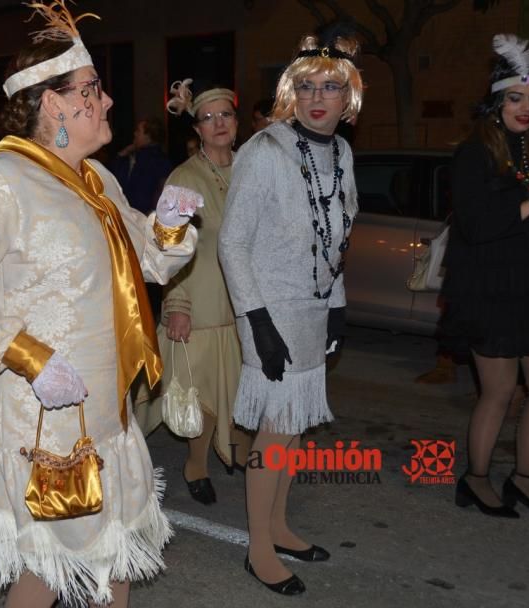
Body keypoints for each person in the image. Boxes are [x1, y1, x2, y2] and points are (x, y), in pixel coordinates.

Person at [0, 3, 197, 606]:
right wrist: (28, 355)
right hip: (40, 421)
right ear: (53, 104)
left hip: (105, 411)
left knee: (111, 554)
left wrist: (167, 227)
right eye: (93, 89)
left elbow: (146, 262)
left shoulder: (96, 178)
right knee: (45, 576)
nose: (108, 101)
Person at [219, 27, 363, 596]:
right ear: (291, 93)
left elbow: (336, 238)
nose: (317, 97)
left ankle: (278, 524)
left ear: (348, 97)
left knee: (294, 428)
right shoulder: (265, 150)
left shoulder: (343, 152)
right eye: (306, 86)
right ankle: (258, 548)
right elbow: (232, 243)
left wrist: (339, 308)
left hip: (312, 308)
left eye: (330, 86)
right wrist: (257, 322)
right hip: (268, 311)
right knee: (274, 434)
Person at [442, 34, 529, 521]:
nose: (527, 108)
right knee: (498, 391)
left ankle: (524, 479)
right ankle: (475, 479)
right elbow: (477, 227)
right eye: (516, 98)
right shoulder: (474, 153)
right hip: (490, 286)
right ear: (497, 101)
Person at [136, 79, 250, 505]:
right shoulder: (183, 178)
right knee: (200, 391)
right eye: (208, 118)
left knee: (238, 387)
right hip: (199, 303)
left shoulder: (250, 169)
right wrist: (177, 303)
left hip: (243, 304)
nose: (218, 123)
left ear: (236, 122)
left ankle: (238, 449)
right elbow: (167, 247)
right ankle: (196, 464)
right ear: (196, 129)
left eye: (226, 115)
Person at [109, 117, 172, 214]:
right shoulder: (136, 155)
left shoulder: (155, 161)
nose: (135, 134)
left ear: (148, 136)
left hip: (140, 216)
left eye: (139, 131)